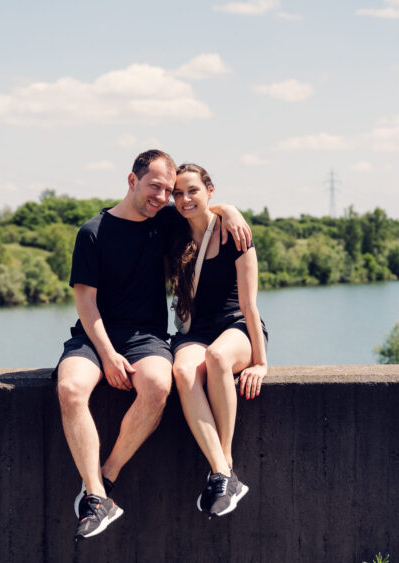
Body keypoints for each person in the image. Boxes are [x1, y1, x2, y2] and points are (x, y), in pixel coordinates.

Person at [55, 150, 252, 540]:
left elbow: (202, 208)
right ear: (132, 181)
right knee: (69, 388)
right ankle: (94, 495)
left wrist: (229, 209)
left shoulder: (163, 223)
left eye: (168, 190)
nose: (163, 197)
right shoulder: (92, 232)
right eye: (155, 187)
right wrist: (108, 354)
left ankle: (105, 479)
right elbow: (85, 303)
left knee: (159, 387)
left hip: (146, 338)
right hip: (95, 337)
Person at [167, 163, 268, 519]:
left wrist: (260, 361)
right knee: (181, 371)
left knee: (217, 358)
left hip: (236, 326)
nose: (184, 199)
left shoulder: (234, 233)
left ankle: (222, 465)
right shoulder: (174, 233)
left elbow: (249, 304)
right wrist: (226, 206)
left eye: (192, 190)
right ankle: (224, 474)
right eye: (177, 193)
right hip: (195, 330)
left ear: (210, 190)